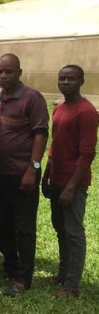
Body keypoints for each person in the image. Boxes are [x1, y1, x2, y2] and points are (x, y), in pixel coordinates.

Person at [0, 54, 49, 296]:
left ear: (19, 72)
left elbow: (40, 134)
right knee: (2, 223)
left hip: (22, 173)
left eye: (9, 71)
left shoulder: (32, 98)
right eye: (0, 72)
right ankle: (10, 266)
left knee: (24, 227)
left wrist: (32, 168)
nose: (3, 76)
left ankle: (23, 277)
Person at [42, 64, 99, 298]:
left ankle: (72, 285)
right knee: (59, 228)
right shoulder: (60, 108)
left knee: (74, 231)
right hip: (55, 178)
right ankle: (62, 273)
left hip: (73, 183)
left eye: (71, 79)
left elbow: (88, 153)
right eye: (62, 78)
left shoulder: (86, 112)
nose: (65, 82)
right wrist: (46, 174)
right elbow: (54, 145)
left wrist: (71, 187)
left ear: (81, 81)